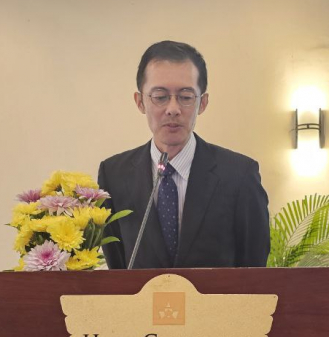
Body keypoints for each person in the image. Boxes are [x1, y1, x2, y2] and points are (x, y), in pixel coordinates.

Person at [98, 40, 270, 269]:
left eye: (186, 97)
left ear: (202, 103)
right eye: (160, 96)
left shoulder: (239, 175)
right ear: (140, 102)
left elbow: (254, 267)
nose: (173, 109)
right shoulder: (114, 175)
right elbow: (117, 266)